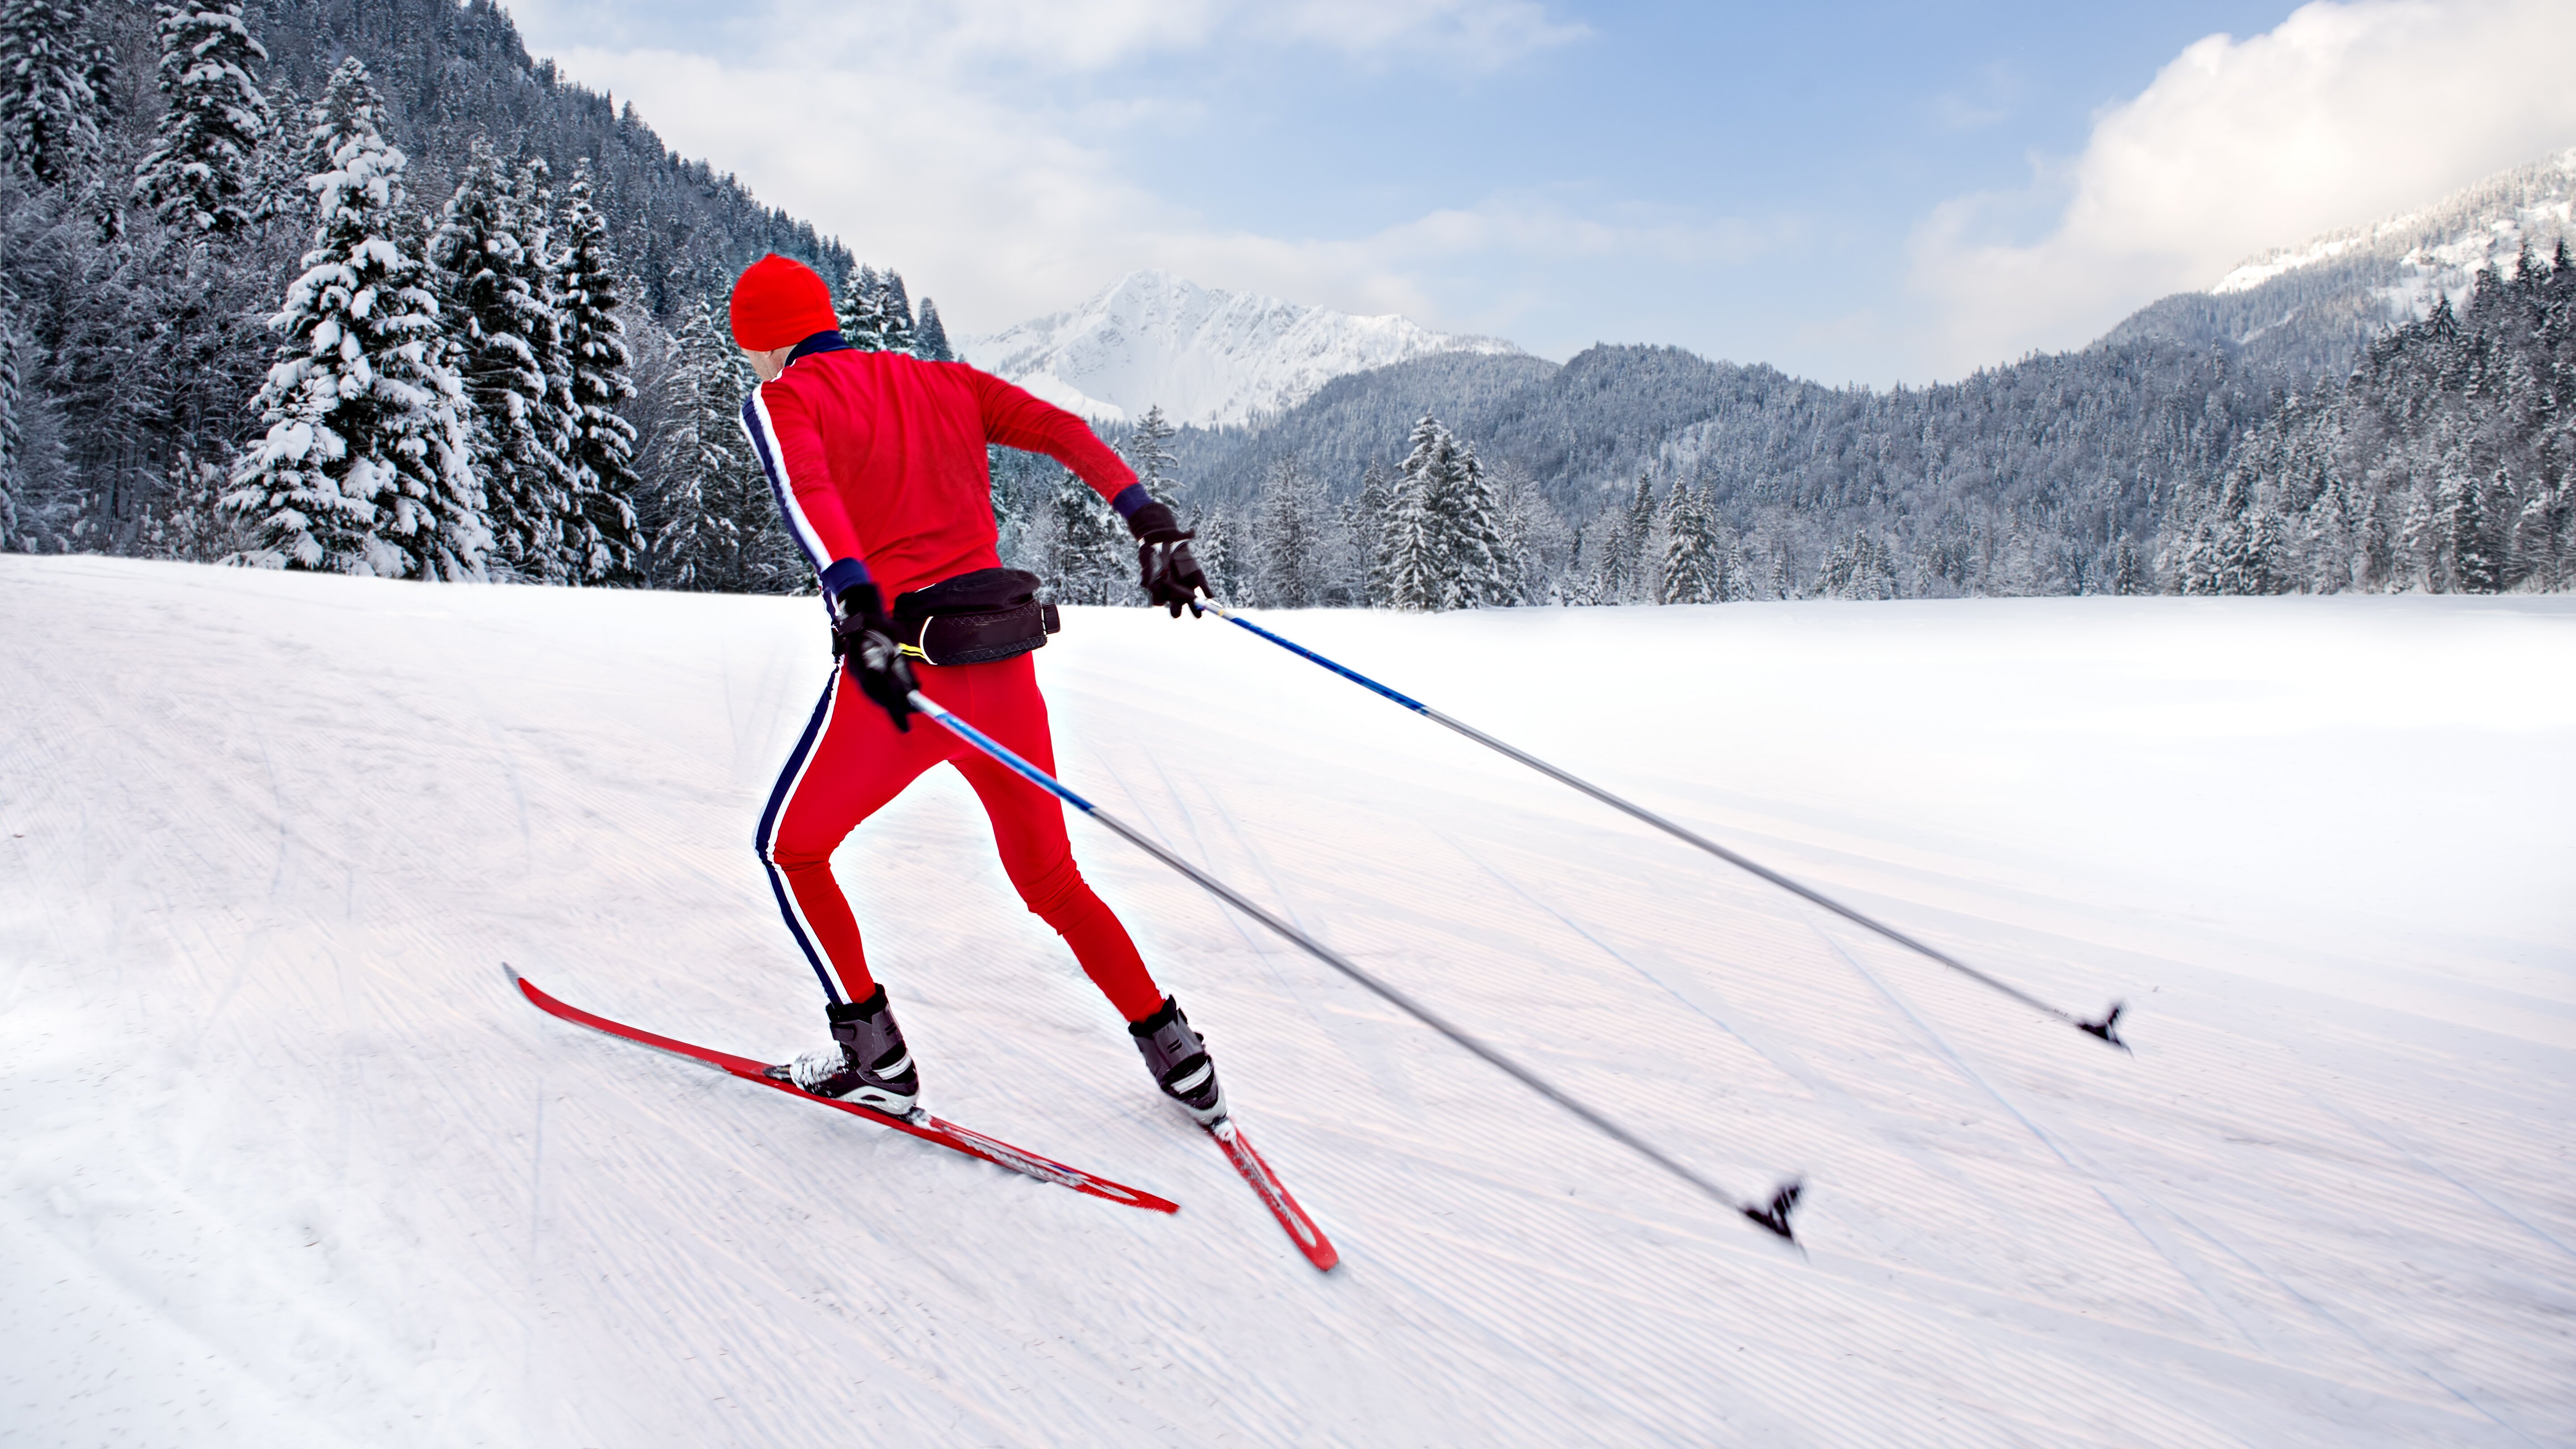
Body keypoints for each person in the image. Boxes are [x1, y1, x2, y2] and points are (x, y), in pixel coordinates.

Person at [729, 253, 1222, 1127]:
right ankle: (1173, 1047)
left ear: (765, 346)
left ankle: (871, 1051)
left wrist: (856, 601)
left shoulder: (785, 398)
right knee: (1052, 879)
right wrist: (1145, 517)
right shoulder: (943, 382)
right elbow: (1061, 430)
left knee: (791, 848)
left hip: (903, 684)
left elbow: (806, 490)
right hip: (1004, 676)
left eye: (751, 352)